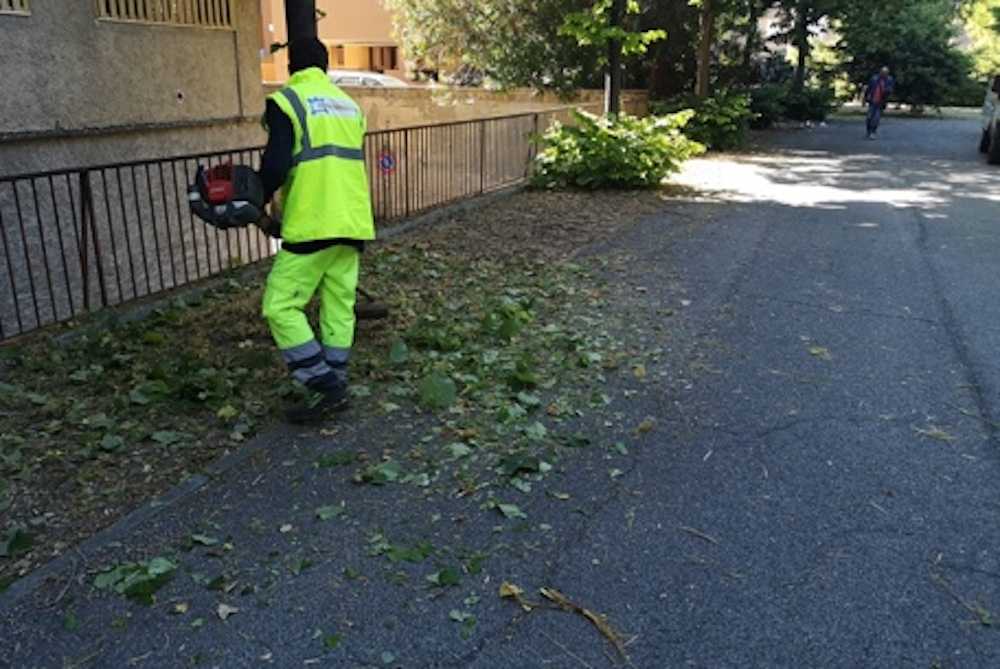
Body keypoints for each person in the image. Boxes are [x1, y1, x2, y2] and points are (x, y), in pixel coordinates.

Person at [258, 37, 375, 424]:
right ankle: (334, 384)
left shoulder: (287, 103)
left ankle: (325, 384)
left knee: (279, 306)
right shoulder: (349, 106)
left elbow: (275, 167)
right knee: (339, 307)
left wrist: (256, 196)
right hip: (353, 222)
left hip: (313, 225)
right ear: (324, 67)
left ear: (292, 67)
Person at [864, 66, 895, 140]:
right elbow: (868, 89)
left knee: (876, 118)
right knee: (869, 117)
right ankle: (868, 131)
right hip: (872, 100)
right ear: (880, 72)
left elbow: (890, 89)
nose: (884, 74)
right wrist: (865, 98)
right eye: (883, 72)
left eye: (886, 73)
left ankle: (873, 132)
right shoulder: (874, 79)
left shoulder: (889, 80)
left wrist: (886, 90)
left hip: (881, 102)